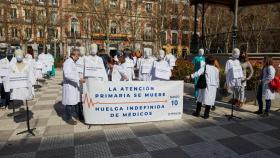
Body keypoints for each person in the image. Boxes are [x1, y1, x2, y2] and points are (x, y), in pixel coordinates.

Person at [62, 48, 85, 125]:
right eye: (77, 55)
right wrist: (78, 79)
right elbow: (67, 74)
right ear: (73, 55)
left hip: (73, 86)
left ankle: (78, 116)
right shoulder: (68, 62)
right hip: (69, 87)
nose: (78, 57)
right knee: (69, 103)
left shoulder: (72, 62)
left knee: (75, 102)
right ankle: (68, 118)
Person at [0, 44, 16, 109]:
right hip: (5, 79)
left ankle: (11, 103)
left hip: (13, 79)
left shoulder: (15, 60)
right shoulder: (2, 61)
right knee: (6, 91)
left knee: (12, 91)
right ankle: (7, 103)